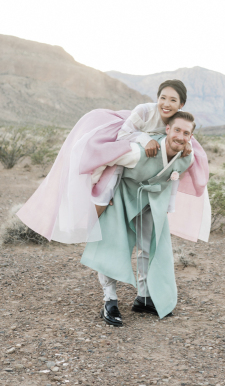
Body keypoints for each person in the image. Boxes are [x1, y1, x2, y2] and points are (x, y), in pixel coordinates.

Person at [17, 80, 210, 245]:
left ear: (181, 104)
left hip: (142, 146)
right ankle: (88, 219)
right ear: (157, 98)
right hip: (122, 134)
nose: (166, 103)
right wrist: (145, 139)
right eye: (163, 98)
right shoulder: (144, 111)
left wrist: (189, 146)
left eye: (173, 100)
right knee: (108, 181)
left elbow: (181, 134)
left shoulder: (178, 120)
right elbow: (124, 134)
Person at [81, 111, 197, 325]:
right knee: (112, 246)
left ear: (191, 137)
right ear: (168, 129)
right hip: (122, 196)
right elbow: (102, 161)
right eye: (177, 130)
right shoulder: (139, 152)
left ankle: (144, 297)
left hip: (150, 201)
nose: (180, 136)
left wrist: (167, 208)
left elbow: (174, 180)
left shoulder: (187, 157)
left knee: (150, 246)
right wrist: (100, 192)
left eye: (186, 133)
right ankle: (110, 301)